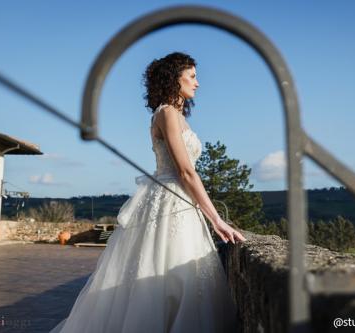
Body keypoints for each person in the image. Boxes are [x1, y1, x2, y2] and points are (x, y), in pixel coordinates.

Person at [49, 52, 246, 333]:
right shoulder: (166, 113)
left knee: (183, 279)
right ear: (173, 79)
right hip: (167, 202)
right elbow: (186, 172)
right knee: (160, 279)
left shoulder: (176, 115)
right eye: (191, 76)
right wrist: (216, 219)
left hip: (182, 204)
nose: (198, 83)